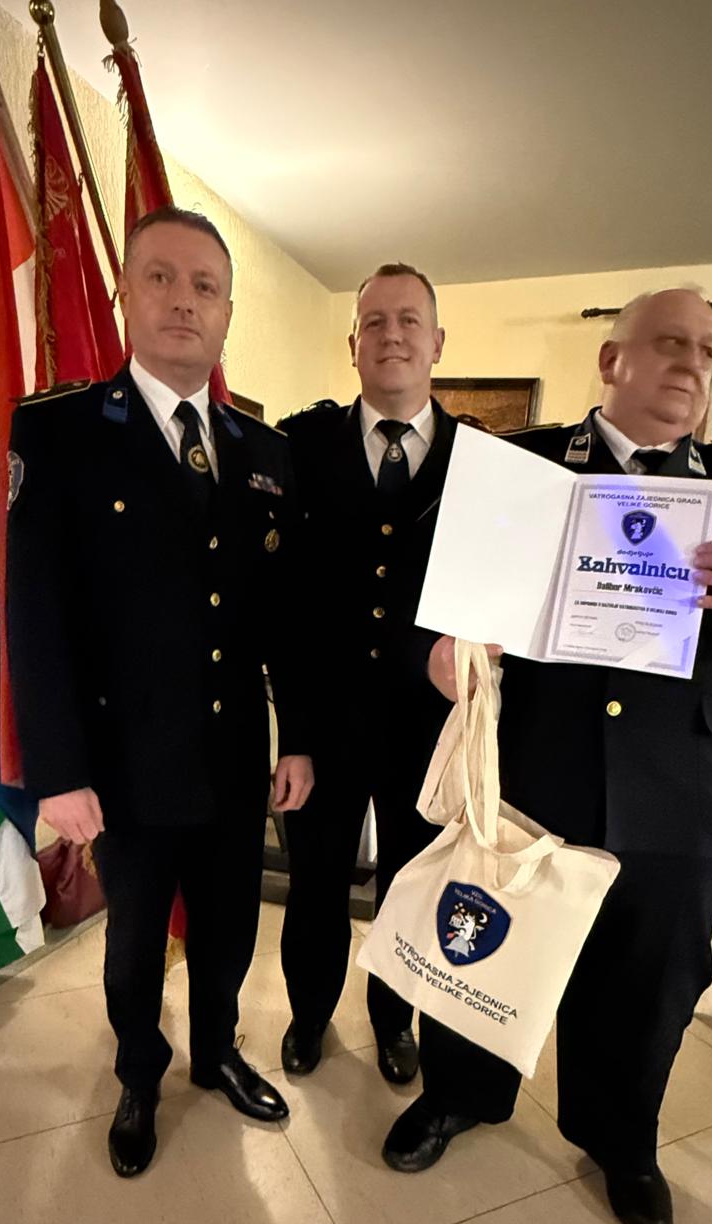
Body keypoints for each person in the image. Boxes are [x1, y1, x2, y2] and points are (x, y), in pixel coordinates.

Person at [383, 288, 712, 1224]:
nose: (693, 363)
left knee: (650, 985)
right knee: (483, 943)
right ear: (612, 360)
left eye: (707, 349)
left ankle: (623, 1142)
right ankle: (457, 1096)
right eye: (670, 343)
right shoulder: (519, 468)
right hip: (534, 776)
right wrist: (436, 654)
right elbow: (417, 591)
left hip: (689, 792)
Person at [6, 205, 314, 1177]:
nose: (186, 301)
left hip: (234, 755)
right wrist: (58, 771)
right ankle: (140, 1072)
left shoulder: (264, 454)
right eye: (163, 278)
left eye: (206, 287)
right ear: (125, 295)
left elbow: (284, 621)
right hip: (123, 760)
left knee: (229, 926)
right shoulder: (59, 432)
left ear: (226, 315)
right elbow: (37, 619)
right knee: (136, 939)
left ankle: (216, 1050)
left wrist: (300, 739)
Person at [276, 263, 456, 1085]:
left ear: (437, 342)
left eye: (409, 320)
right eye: (375, 322)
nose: (392, 335)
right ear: (353, 343)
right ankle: (309, 1013)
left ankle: (394, 1020)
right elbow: (284, 607)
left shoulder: (480, 459)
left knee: (410, 888)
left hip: (427, 729)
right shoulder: (299, 448)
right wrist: (294, 736)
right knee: (314, 885)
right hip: (325, 725)